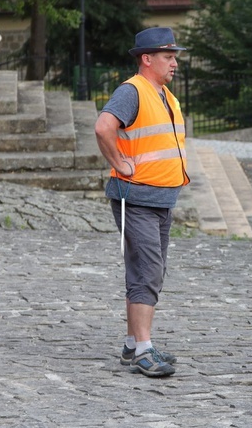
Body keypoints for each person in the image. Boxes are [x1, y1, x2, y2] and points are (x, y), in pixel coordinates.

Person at [94, 27, 190, 378]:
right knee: (147, 271)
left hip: (161, 198)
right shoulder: (132, 91)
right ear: (147, 59)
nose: (174, 63)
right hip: (137, 198)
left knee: (146, 270)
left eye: (174, 56)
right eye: (168, 56)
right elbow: (104, 127)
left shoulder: (164, 95)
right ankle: (144, 352)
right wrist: (119, 163)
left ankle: (134, 343)